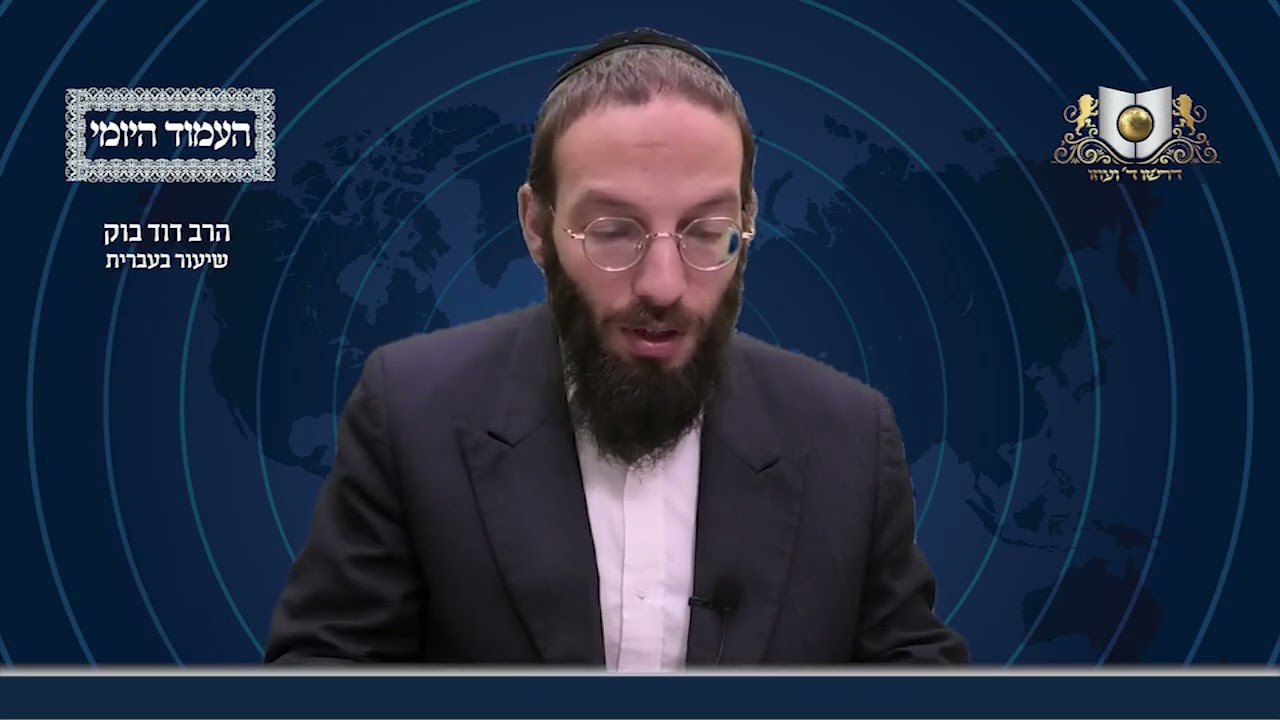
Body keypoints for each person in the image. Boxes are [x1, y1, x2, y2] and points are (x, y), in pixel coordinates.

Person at [264, 27, 969, 669]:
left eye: (706, 232)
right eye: (611, 230)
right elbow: (317, 679)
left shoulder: (853, 437)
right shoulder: (409, 410)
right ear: (536, 225)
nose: (663, 285)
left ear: (748, 222)